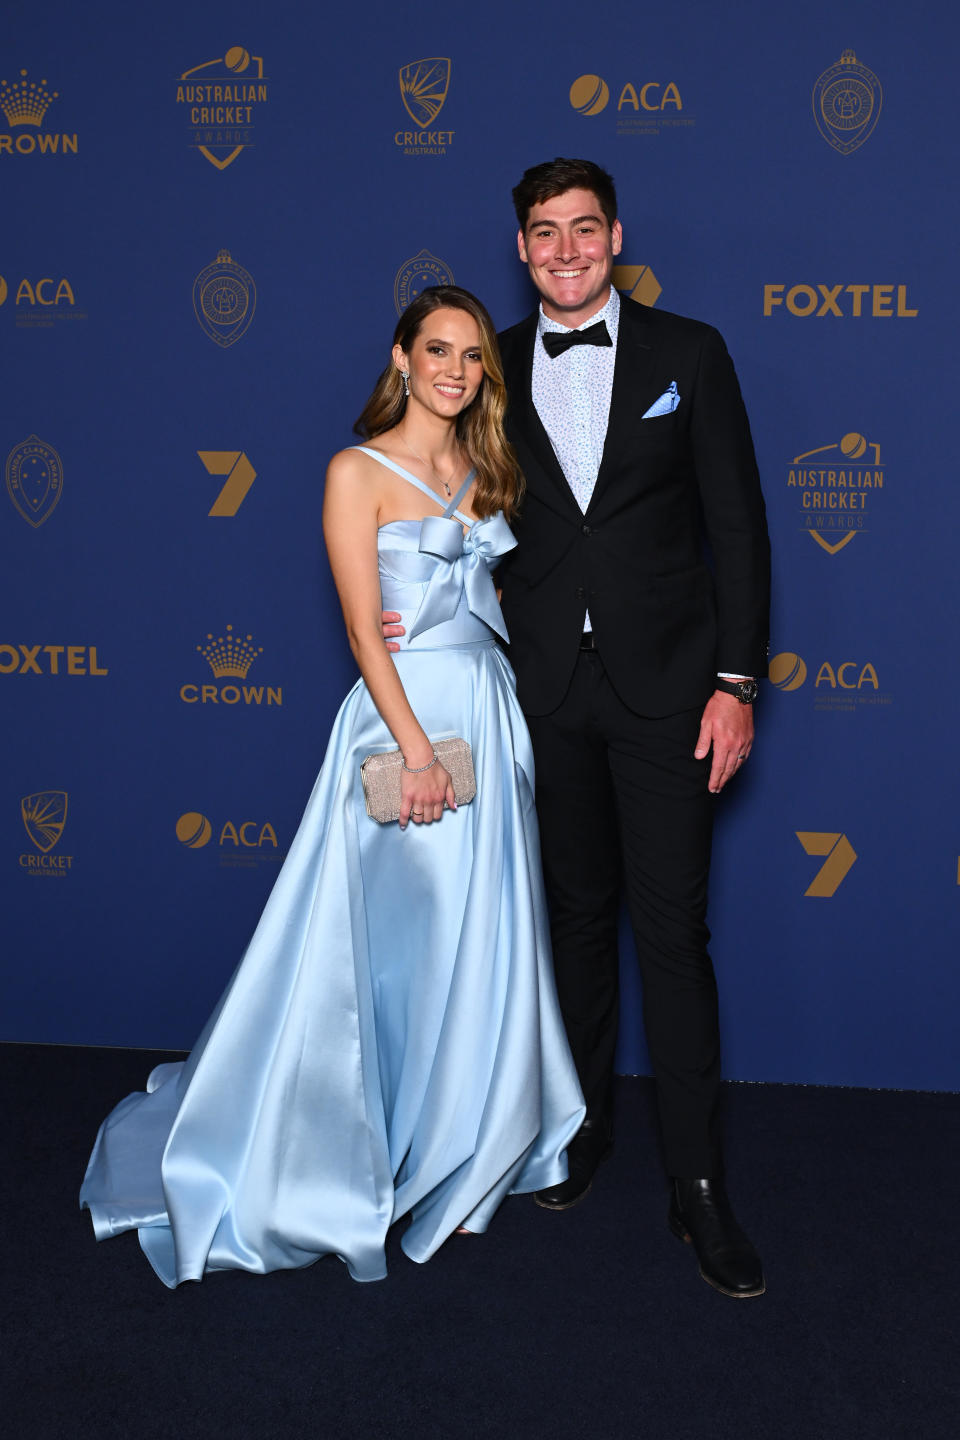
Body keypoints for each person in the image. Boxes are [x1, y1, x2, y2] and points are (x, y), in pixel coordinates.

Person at [80, 286, 585, 1287]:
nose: (454, 370)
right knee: (393, 946)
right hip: (408, 730)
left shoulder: (485, 465)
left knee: (481, 941)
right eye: (435, 350)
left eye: (473, 356)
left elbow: (494, 601)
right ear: (399, 358)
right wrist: (421, 749)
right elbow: (364, 630)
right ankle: (356, 1152)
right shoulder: (354, 471)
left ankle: (466, 1160)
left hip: (485, 711)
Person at [383, 160, 771, 1298]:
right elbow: (432, 497)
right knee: (571, 927)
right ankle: (582, 1132)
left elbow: (738, 531)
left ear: (616, 237)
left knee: (673, 938)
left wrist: (737, 685)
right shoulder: (482, 360)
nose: (564, 250)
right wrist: (400, 600)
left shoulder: (689, 355)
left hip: (669, 693)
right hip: (540, 692)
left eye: (583, 230)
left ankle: (698, 1186)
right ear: (520, 247)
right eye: (543, 234)